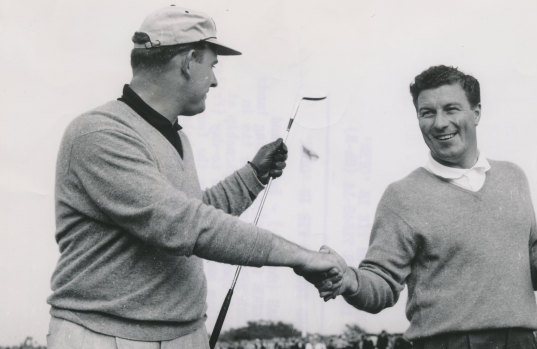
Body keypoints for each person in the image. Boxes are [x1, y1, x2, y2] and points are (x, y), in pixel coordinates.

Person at [46, 6, 344, 349]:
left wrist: (253, 175)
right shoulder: (98, 133)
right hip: (102, 336)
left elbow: (192, 213)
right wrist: (303, 256)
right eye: (212, 65)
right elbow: (181, 224)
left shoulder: (177, 137)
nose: (215, 80)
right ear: (188, 61)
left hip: (185, 334)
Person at [314, 65, 537, 349]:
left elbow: (530, 256)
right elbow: (381, 283)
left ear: (477, 113)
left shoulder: (513, 178)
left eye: (451, 109)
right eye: (427, 112)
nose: (439, 123)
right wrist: (349, 280)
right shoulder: (402, 196)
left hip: (522, 342)